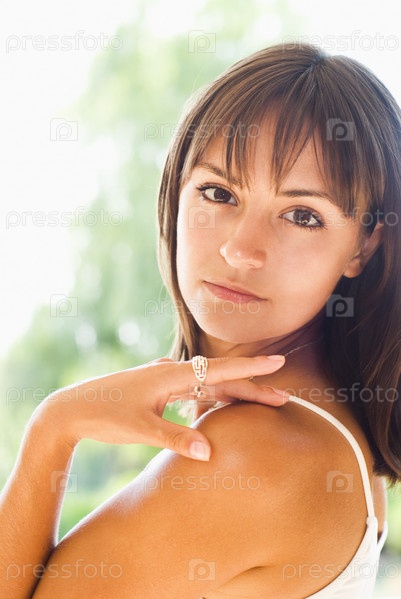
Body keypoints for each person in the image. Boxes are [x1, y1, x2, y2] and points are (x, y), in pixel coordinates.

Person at [1, 41, 400, 598]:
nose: (241, 249)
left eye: (301, 215)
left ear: (363, 245)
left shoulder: (255, 455)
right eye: (218, 192)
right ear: (176, 191)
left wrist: (54, 427)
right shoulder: (329, 430)